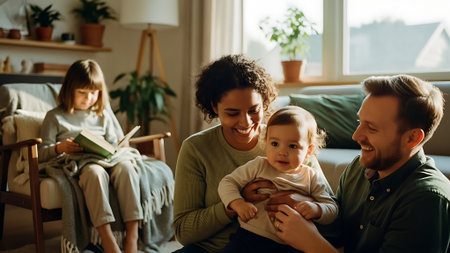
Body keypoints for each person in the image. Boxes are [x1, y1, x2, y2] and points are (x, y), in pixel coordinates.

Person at [270, 74, 450, 252]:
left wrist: (312, 243)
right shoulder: (359, 167)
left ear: (412, 138)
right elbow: (337, 231)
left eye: (371, 128)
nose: (356, 136)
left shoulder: (427, 200)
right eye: (359, 122)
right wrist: (311, 205)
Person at [173, 54, 328, 253]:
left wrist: (307, 203)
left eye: (253, 110)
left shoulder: (288, 141)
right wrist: (233, 204)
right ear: (214, 107)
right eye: (232, 113)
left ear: (263, 102)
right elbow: (183, 232)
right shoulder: (196, 148)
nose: (246, 123)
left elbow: (334, 218)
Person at [39, 59, 141, 253]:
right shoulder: (54, 116)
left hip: (109, 159)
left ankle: (132, 237)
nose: (89, 99)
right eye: (82, 93)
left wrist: (116, 146)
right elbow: (41, 153)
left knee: (127, 168)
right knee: (94, 173)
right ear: (70, 90)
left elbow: (118, 142)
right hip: (81, 164)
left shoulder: (103, 114)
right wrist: (60, 148)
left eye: (94, 93)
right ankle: (107, 239)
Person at [218, 106, 338, 252]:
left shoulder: (311, 176)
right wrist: (238, 203)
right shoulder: (259, 165)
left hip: (292, 244)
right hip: (248, 238)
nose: (282, 152)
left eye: (292, 146)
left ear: (309, 150)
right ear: (266, 141)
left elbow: (332, 208)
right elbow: (227, 183)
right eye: (275, 144)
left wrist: (317, 209)